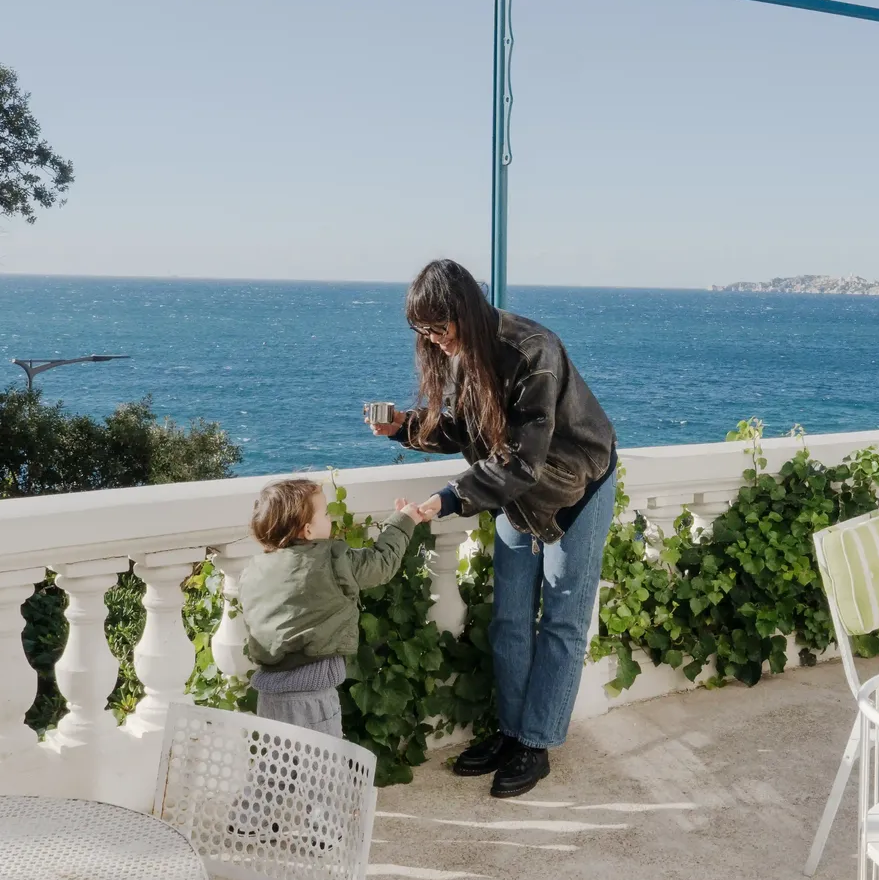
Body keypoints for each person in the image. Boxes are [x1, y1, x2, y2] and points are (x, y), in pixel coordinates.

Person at [366, 258, 617, 797]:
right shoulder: (459, 352)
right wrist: (404, 428)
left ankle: (536, 743)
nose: (433, 340)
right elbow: (466, 431)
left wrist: (449, 498)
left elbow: (523, 460)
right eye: (422, 331)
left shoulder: (533, 350)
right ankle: (511, 734)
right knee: (509, 619)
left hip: (574, 486)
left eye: (439, 327)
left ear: (466, 311)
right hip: (512, 488)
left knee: (562, 622)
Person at [239, 477, 434, 737]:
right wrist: (403, 520)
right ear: (308, 530)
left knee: (277, 762)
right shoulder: (332, 561)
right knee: (321, 762)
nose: (330, 518)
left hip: (270, 697)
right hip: (313, 700)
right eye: (325, 513)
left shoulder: (254, 569)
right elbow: (381, 563)